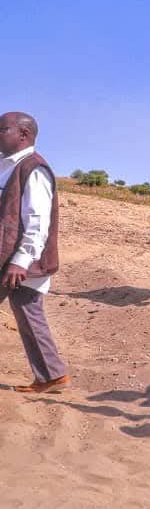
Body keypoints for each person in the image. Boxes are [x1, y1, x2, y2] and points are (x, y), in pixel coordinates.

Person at [0, 112, 69, 393]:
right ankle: (51, 376)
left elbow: (38, 220)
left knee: (28, 309)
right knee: (28, 312)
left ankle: (52, 376)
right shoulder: (8, 166)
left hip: (19, 260)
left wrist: (21, 260)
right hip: (8, 255)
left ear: (23, 135)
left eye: (2, 129)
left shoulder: (33, 168)